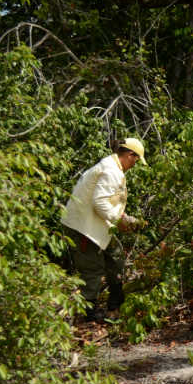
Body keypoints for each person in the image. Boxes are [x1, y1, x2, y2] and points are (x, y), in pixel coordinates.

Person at [61, 138, 147, 322]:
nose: (135, 163)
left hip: (96, 225)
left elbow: (107, 201)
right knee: (92, 269)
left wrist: (124, 218)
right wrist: (120, 222)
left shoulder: (113, 168)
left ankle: (115, 303)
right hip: (82, 228)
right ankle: (89, 312)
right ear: (130, 155)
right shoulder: (111, 171)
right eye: (136, 159)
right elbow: (99, 203)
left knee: (116, 258)